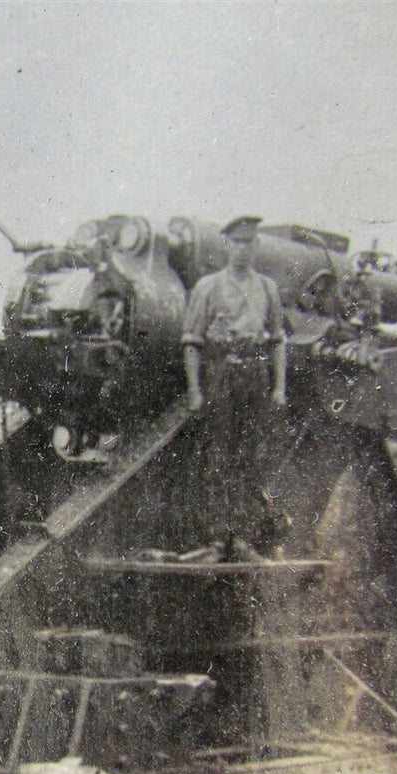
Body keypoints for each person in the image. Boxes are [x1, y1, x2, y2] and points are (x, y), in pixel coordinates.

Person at [179, 215, 289, 541]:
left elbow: (277, 340)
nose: (243, 248)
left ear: (257, 246)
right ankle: (217, 535)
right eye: (237, 242)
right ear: (227, 245)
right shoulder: (208, 287)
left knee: (251, 457)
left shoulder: (267, 288)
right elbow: (191, 342)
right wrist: (195, 391)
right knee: (217, 456)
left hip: (255, 375)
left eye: (249, 242)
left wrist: (279, 386)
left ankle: (242, 535)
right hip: (221, 372)